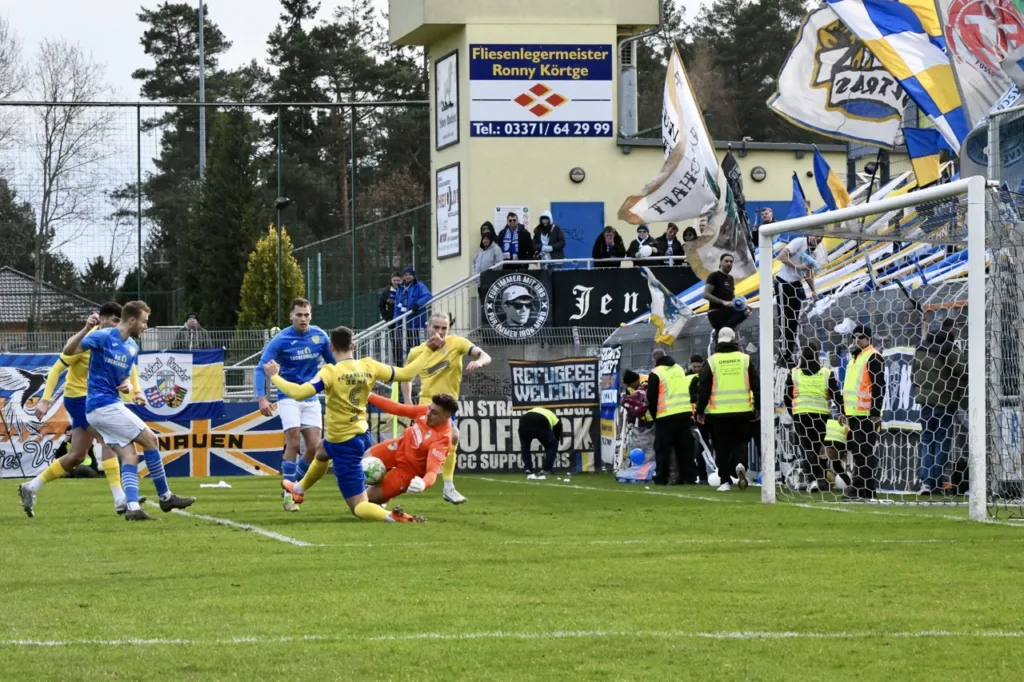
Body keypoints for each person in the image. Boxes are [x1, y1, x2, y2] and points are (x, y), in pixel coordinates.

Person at [274, 326, 444, 522]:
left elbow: (298, 393)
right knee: (322, 451)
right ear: (353, 346)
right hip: (361, 434)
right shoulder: (368, 365)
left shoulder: (330, 372)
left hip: (344, 443)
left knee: (358, 506)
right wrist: (428, 350)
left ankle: (392, 516)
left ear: (331, 348)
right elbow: (407, 373)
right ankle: (298, 489)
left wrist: (274, 376)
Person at [57, 301, 195, 521]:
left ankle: (132, 508)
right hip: (102, 406)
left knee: (130, 455)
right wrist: (85, 329)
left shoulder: (132, 347)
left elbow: (125, 376)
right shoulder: (103, 336)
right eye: (144, 321)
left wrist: (128, 385)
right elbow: (68, 350)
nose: (145, 326)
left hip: (108, 406)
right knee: (151, 439)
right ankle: (166, 497)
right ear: (132, 320)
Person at [20, 302, 141, 517]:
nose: (118, 325)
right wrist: (45, 400)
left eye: (120, 321)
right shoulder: (89, 340)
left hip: (97, 400)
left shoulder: (116, 341)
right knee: (108, 439)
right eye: (115, 320)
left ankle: (31, 486)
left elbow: (129, 367)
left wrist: (136, 390)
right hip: (79, 399)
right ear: (102, 319)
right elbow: (56, 369)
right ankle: (120, 498)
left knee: (76, 455)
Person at [254, 298, 336, 512]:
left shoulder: (320, 336)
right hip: (288, 395)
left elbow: (334, 364)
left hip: (310, 396)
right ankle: (289, 496)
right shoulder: (281, 339)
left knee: (314, 447)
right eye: (299, 315)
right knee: (292, 441)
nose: (303, 319)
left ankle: (291, 485)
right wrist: (262, 397)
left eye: (306, 315)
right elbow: (261, 367)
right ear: (291, 316)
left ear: (311, 316)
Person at [401, 312, 492, 505]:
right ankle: (445, 486)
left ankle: (447, 487)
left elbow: (485, 355)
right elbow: (406, 377)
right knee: (448, 437)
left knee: (444, 441)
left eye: (444, 328)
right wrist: (408, 402)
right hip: (427, 403)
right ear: (428, 327)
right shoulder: (417, 352)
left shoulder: (457, 343)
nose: (440, 331)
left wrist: (479, 361)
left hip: (449, 406)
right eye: (436, 327)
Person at [362, 392, 459, 507]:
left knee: (365, 498)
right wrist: (369, 396)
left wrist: (423, 483)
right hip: (399, 447)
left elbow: (432, 472)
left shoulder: (442, 440)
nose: (428, 414)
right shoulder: (424, 411)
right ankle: (378, 490)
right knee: (366, 458)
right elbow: (397, 408)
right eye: (430, 408)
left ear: (446, 417)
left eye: (434, 413)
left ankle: (383, 498)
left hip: (409, 471)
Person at [695, 327, 760, 492]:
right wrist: (758, 407)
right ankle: (741, 464)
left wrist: (700, 410)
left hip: (718, 413)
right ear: (734, 339)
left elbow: (703, 388)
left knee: (722, 446)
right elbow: (756, 385)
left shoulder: (712, 361)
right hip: (743, 410)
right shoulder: (745, 359)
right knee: (741, 442)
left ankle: (724, 480)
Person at [912, 318, 966, 494]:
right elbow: (962, 370)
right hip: (945, 401)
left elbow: (913, 372)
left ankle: (926, 482)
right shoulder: (949, 348)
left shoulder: (921, 348)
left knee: (927, 440)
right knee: (942, 441)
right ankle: (935, 483)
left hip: (925, 403)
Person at [784, 345, 844, 492]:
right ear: (817, 356)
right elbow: (836, 394)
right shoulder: (826, 373)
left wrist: (793, 412)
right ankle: (821, 479)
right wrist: (843, 411)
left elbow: (786, 396)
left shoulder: (794, 373)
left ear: (801, 357)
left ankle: (812, 480)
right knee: (820, 448)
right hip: (821, 415)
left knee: (807, 448)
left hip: (801, 415)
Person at [841, 324, 885, 500]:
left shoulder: (873, 356)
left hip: (865, 414)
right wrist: (844, 411)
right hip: (854, 413)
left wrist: (875, 412)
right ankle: (868, 489)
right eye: (854, 337)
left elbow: (879, 386)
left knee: (863, 452)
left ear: (868, 338)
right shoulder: (855, 358)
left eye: (860, 337)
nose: (856, 340)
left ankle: (859, 487)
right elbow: (849, 387)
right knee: (858, 452)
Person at [646, 349, 696, 486]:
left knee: (662, 449)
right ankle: (688, 477)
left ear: (655, 361)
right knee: (685, 448)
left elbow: (651, 397)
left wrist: (655, 416)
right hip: (684, 412)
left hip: (665, 415)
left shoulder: (656, 373)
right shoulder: (679, 368)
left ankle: (662, 478)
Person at [776, 235, 824, 363]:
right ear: (810, 234)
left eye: (821, 237)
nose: (818, 239)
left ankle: (789, 354)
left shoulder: (813, 253)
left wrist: (813, 291)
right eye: (817, 236)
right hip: (784, 282)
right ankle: (783, 355)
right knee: (785, 319)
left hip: (796, 285)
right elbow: (781, 256)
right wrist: (797, 266)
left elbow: (808, 273)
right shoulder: (798, 242)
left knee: (793, 321)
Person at [703, 253, 750, 352]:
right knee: (743, 312)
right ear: (720, 262)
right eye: (726, 261)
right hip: (716, 312)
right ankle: (719, 333)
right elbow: (706, 294)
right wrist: (722, 302)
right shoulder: (714, 276)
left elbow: (731, 297)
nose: (729, 263)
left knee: (746, 310)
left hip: (728, 312)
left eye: (731, 262)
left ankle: (725, 335)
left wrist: (739, 302)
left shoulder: (730, 278)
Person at [394, 267, 432, 356]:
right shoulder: (400, 288)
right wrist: (395, 319)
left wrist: (417, 304)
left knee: (416, 344)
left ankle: (418, 360)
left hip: (415, 320)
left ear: (413, 276)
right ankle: (407, 360)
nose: (408, 277)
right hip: (402, 321)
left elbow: (427, 296)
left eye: (410, 275)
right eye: (406, 275)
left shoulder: (419, 286)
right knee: (405, 345)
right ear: (403, 277)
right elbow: (397, 305)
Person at [519, 407, 564, 478]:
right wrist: (551, 446)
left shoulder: (540, 411)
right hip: (541, 421)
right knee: (552, 445)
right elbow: (556, 437)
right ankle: (546, 469)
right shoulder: (556, 420)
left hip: (524, 421)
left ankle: (528, 468)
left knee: (525, 447)